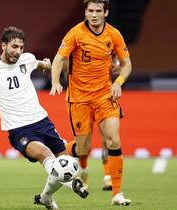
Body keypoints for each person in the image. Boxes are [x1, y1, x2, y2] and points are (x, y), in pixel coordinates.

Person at [0, 26, 89, 210]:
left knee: (64, 163)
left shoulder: (27, 59)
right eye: (13, 46)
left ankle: (46, 198)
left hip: (43, 122)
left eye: (20, 47)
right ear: (3, 45)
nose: (17, 51)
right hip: (20, 130)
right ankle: (69, 185)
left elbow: (44, 64)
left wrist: (48, 65)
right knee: (47, 156)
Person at [50, 0, 132, 206]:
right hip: (79, 99)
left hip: (105, 96)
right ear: (85, 12)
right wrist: (55, 81)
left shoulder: (114, 34)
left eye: (98, 11)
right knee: (83, 149)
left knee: (113, 140)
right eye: (90, 11)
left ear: (105, 13)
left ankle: (117, 193)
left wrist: (119, 82)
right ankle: (58, 150)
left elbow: (126, 64)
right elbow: (59, 58)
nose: (94, 15)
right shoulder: (75, 33)